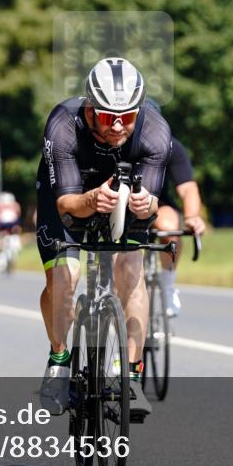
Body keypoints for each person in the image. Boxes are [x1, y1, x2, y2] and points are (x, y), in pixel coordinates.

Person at [35, 57, 171, 418]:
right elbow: (65, 202)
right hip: (71, 195)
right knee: (66, 276)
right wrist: (92, 199)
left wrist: (145, 206)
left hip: (125, 193)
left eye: (126, 116)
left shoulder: (154, 129)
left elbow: (155, 199)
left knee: (130, 271)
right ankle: (60, 359)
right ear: (90, 107)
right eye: (107, 115)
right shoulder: (63, 123)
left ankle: (131, 376)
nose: (116, 125)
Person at [153, 137, 207, 317]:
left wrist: (192, 217)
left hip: (158, 203)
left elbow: (187, 187)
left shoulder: (170, 146)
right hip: (119, 203)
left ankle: (168, 285)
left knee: (169, 228)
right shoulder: (113, 138)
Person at [0, 192, 22, 272]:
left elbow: (17, 219)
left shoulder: (15, 206)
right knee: (2, 246)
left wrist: (16, 228)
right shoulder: (0, 207)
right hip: (3, 228)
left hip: (12, 229)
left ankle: (11, 261)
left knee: (14, 246)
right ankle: (2, 262)